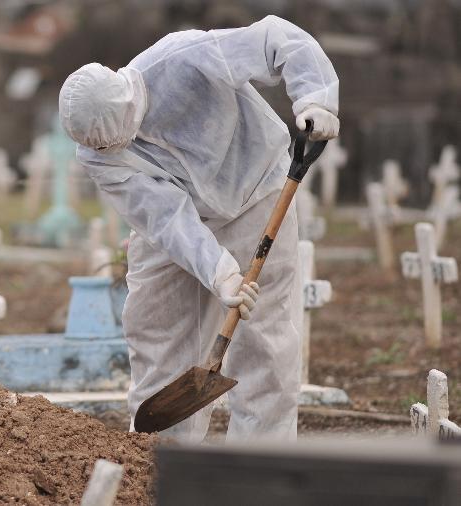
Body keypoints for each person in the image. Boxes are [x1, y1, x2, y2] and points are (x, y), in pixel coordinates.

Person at [59, 15, 339, 441]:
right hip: (177, 224)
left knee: (262, 339)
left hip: (255, 192)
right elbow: (167, 218)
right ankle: (159, 466)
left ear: (127, 103)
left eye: (113, 139)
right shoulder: (96, 152)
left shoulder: (185, 58)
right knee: (154, 329)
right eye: (99, 146)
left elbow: (278, 40)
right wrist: (221, 273)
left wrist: (314, 98)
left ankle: (258, 469)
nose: (108, 150)